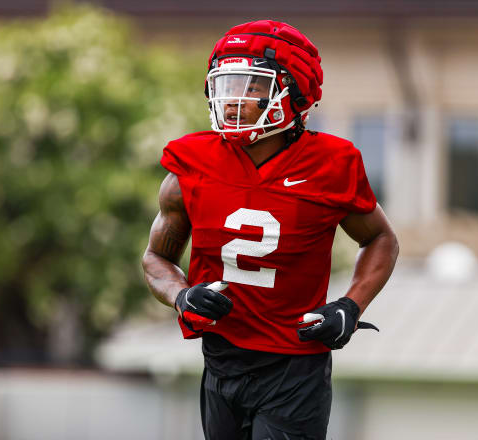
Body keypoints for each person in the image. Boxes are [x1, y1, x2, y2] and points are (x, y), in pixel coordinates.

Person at [142, 19, 399, 440]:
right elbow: (156, 257)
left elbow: (380, 238)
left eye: (251, 86)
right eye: (226, 86)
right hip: (221, 359)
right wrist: (180, 294)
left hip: (294, 364)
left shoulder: (332, 163)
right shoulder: (190, 162)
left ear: (295, 93)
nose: (233, 100)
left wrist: (350, 307)